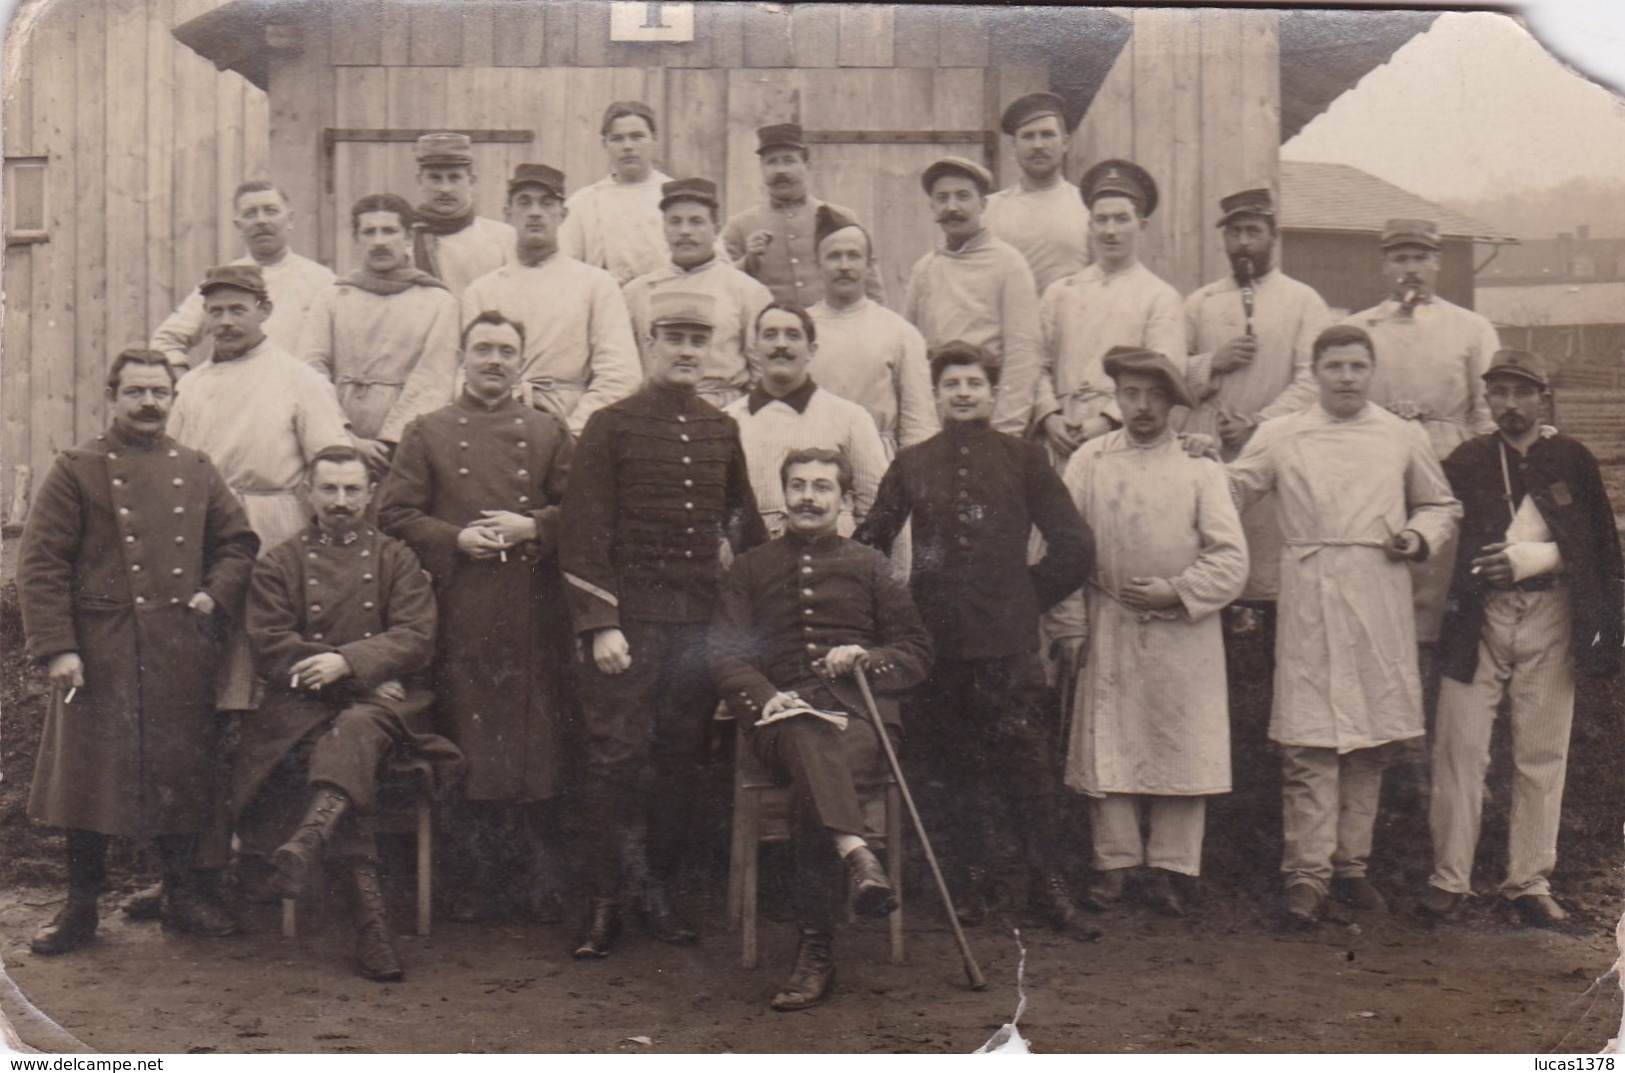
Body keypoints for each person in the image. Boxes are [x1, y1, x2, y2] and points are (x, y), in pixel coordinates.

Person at [19, 348, 259, 954]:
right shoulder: (78, 468)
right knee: (88, 783)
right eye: (136, 392)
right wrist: (57, 648)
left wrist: (214, 594)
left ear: (174, 400)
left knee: (180, 775)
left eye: (160, 392)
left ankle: (181, 895)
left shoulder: (197, 468)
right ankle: (79, 912)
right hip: (100, 652)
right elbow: (41, 564)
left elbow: (238, 542)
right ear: (113, 397)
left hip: (178, 648)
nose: (149, 403)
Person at [1226, 325, 1461, 925]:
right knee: (1310, 743)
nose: (1347, 378)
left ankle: (1351, 866)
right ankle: (1306, 874)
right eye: (1335, 367)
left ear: (1371, 371)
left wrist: (1416, 536)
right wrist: (1201, 465)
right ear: (1317, 371)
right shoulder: (1281, 434)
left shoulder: (1400, 434)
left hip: (1379, 591)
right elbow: (1232, 489)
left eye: (1358, 366)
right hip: (1310, 591)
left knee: (1371, 742)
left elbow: (1440, 504)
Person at [855, 342, 1093, 930]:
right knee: (951, 770)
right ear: (936, 395)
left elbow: (1076, 547)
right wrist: (896, 615)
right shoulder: (912, 463)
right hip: (938, 651)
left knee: (1029, 769)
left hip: (1009, 650)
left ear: (992, 393)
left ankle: (1049, 885)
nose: (963, 393)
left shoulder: (1025, 460)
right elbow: (870, 544)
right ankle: (967, 885)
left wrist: (1022, 601)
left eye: (974, 384)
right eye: (952, 384)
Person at [559, 290, 767, 959]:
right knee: (614, 759)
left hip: (695, 630)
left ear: (710, 349)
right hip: (627, 629)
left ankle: (659, 894)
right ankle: (602, 903)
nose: (685, 351)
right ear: (650, 343)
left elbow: (742, 524)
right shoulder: (610, 425)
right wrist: (600, 622)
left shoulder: (719, 428)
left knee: (681, 761)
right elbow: (583, 531)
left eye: (696, 340)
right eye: (673, 338)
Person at [712, 448, 933, 1011]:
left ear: (845, 501)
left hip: (861, 717)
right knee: (809, 737)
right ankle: (857, 855)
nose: (808, 497)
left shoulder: (871, 565)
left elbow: (915, 651)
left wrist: (865, 656)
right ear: (782, 495)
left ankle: (816, 949)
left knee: (819, 764)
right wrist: (766, 696)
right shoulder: (751, 567)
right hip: (780, 717)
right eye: (798, 486)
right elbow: (725, 655)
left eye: (822, 488)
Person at [235, 446, 463, 981]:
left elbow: (416, 635)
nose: (340, 502)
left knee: (354, 730)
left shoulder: (396, 559)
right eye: (329, 490)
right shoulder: (279, 564)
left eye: (352, 490)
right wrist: (348, 674)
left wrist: (347, 661)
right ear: (308, 494)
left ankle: (308, 844)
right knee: (348, 737)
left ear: (369, 494)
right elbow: (270, 644)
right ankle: (372, 929)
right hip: (304, 711)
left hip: (387, 712)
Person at [377, 312, 575, 923]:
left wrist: (535, 524)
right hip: (459, 608)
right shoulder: (427, 431)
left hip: (533, 610)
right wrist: (455, 539)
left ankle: (532, 884)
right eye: (483, 349)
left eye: (506, 351)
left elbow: (585, 510)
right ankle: (468, 884)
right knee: (466, 740)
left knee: (533, 745)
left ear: (521, 361)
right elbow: (395, 514)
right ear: (463, 357)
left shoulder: (547, 432)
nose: (494, 360)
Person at [1421, 349, 1623, 925]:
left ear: (1543, 398)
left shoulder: (1571, 459)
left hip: (1551, 615)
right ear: (1487, 400)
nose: (1510, 405)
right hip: (1477, 621)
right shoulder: (1468, 460)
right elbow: (1439, 525)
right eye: (1499, 393)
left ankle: (1529, 881)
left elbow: (1600, 548)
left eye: (1522, 392)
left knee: (1541, 750)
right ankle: (1448, 879)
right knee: (1460, 747)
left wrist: (1537, 558)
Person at [1052, 347, 1248, 916]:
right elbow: (1065, 550)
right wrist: (1069, 625)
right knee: (1111, 738)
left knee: (1179, 740)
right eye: (1131, 395)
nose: (1142, 407)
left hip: (1183, 629)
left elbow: (1231, 559)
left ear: (1173, 403)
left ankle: (1170, 866)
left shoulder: (1200, 469)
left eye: (1155, 396)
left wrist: (1179, 590)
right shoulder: (1089, 461)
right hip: (1108, 618)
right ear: (1115, 398)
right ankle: (1114, 863)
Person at [167, 264, 353, 712]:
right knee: (212, 639)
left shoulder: (301, 379)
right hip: (208, 527)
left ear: (264, 311)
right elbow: (173, 464)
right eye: (216, 312)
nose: (226, 321)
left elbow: (334, 463)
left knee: (269, 638)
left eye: (238, 310)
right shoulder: (190, 386)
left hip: (277, 525)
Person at [1182, 187, 1332, 638]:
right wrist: (1213, 362)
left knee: (1270, 586)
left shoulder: (1305, 302)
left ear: (1273, 236)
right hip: (1210, 452)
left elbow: (1312, 380)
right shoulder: (1200, 303)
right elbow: (1170, 376)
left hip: (1276, 458)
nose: (1244, 242)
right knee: (1211, 567)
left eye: (1253, 231)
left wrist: (1259, 424)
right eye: (1235, 233)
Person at [1341, 218, 1499, 643]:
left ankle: (1436, 667)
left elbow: (1485, 409)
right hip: (1377, 460)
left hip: (1451, 459)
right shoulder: (1359, 329)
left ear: (1437, 263)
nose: (1410, 269)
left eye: (1420, 258)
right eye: (1400, 258)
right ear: (1383, 265)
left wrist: (1481, 464)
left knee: (1443, 574)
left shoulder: (1471, 328)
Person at [461, 163, 641, 436]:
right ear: (507, 214)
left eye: (547, 204)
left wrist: (572, 431)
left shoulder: (595, 283)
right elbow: (465, 373)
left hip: (570, 425)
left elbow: (621, 374)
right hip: (494, 426)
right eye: (524, 203)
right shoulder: (481, 290)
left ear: (563, 214)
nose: (535, 213)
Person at [1035, 159, 1185, 467]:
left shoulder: (1160, 297)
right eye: (1101, 220)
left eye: (1121, 219)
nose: (1110, 231)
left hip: (1126, 436)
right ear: (1089, 225)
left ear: (1141, 225)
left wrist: (1108, 420)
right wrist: (1049, 415)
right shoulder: (1060, 292)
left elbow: (1165, 372)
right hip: (1061, 437)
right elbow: (1036, 364)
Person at [300, 193, 461, 474]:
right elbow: (311, 371)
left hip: (408, 444)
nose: (379, 241)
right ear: (356, 238)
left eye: (389, 231)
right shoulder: (332, 298)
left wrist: (391, 442)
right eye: (369, 232)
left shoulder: (438, 301)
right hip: (338, 442)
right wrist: (346, 438)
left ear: (408, 237)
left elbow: (433, 379)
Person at [724, 303, 888, 538]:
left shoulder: (851, 418)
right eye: (770, 335)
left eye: (793, 335)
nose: (781, 344)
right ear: (755, 348)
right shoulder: (729, 421)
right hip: (752, 564)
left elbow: (878, 508)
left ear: (811, 350)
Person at [902, 157, 1040, 436]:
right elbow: (909, 351)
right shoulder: (925, 268)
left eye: (963, 197)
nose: (952, 207)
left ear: (983, 204)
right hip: (937, 419)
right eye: (942, 198)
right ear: (932, 208)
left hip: (988, 416)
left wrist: (1004, 431)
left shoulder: (1008, 263)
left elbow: (1023, 353)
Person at [150, 181, 335, 371]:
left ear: (290, 220)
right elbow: (167, 339)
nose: (261, 221)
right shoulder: (222, 282)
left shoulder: (321, 280)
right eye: (250, 213)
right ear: (238, 226)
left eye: (271, 211)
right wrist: (186, 385)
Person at [624, 178, 774, 409]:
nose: (685, 231)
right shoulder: (637, 292)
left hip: (725, 410)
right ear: (663, 228)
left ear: (716, 228)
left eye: (696, 222)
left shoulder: (747, 291)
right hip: (654, 411)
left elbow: (762, 373)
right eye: (675, 222)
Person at [806, 206, 938, 458]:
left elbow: (918, 423)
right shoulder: (800, 330)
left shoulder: (899, 333)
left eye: (854, 256)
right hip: (812, 462)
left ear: (870, 264)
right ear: (817, 265)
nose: (844, 266)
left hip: (879, 460)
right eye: (834, 256)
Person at [722, 122, 884, 307]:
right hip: (770, 332)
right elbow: (723, 288)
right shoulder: (739, 226)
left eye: (789, 160)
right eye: (771, 162)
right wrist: (748, 262)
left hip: (831, 328)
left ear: (807, 165)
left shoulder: (841, 218)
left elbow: (870, 284)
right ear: (762, 168)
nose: (780, 170)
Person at [983, 92, 1091, 294]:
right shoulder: (990, 210)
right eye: (1028, 136)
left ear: (1065, 143)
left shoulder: (1086, 206)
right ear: (1014, 146)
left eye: (1047, 135)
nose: (1038, 145)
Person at [560, 101, 676, 285]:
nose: (628, 146)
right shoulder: (584, 202)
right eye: (617, 138)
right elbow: (565, 265)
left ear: (654, 139)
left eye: (637, 137)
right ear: (605, 143)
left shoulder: (675, 195)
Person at [408, 132, 515, 298]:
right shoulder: (406, 239)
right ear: (420, 181)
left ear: (471, 181)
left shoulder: (502, 237)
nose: (445, 189)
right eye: (435, 178)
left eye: (454, 178)